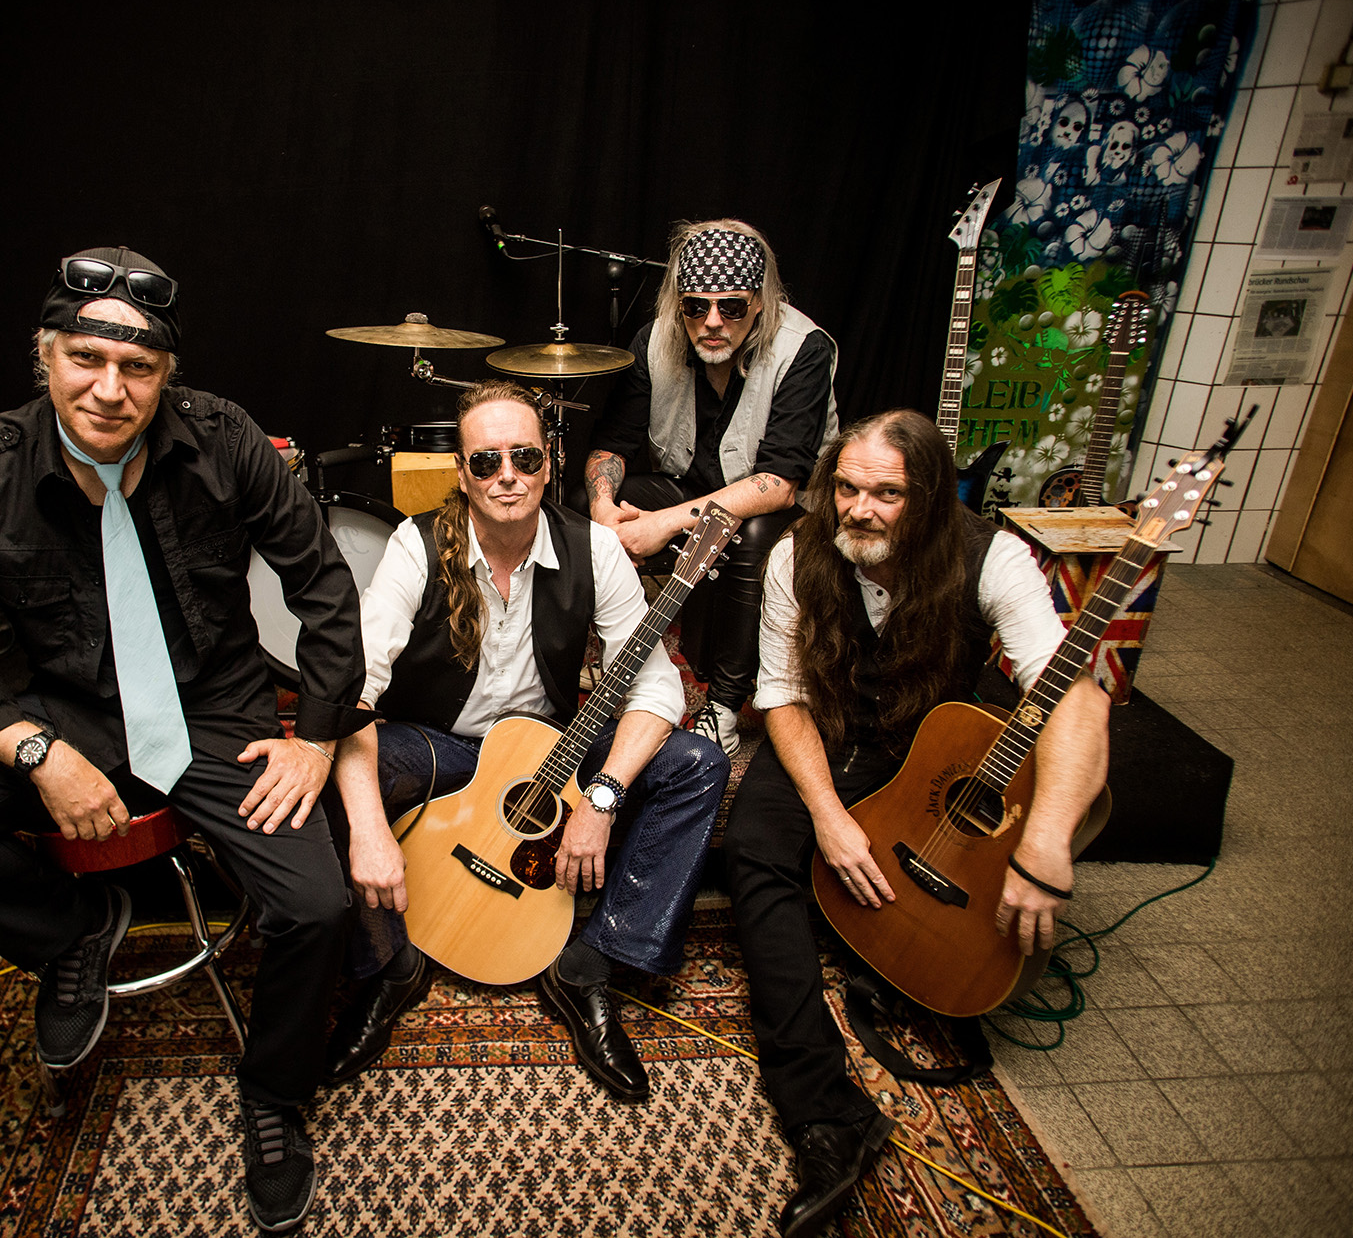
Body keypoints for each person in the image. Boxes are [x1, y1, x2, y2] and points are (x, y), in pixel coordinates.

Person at [0, 247, 363, 1233]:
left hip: (213, 708)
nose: (109, 388)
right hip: (66, 710)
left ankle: (273, 1094)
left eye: (138, 367)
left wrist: (317, 738)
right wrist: (36, 752)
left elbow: (323, 585)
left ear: (166, 376)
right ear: (44, 355)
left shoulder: (226, 438)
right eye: (86, 358)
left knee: (315, 905)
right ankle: (72, 931)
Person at [725, 410, 1110, 1238]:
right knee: (754, 848)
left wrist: (1045, 840)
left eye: (887, 493)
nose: (859, 508)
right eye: (846, 487)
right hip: (825, 734)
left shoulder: (993, 556)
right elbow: (781, 694)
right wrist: (827, 815)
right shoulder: (797, 552)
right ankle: (827, 1112)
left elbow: (1074, 696)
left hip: (923, 753)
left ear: (929, 497)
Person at [322, 380, 729, 1101]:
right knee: (335, 768)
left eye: (524, 457)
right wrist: (368, 831)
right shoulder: (416, 546)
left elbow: (657, 688)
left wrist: (601, 798)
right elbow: (355, 689)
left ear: (549, 464)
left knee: (696, 763)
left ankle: (588, 963)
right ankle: (389, 965)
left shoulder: (595, 549)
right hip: (443, 745)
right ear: (462, 472)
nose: (506, 475)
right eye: (486, 461)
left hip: (549, 749)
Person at [584, 218, 839, 754]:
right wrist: (603, 509)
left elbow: (778, 482)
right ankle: (604, 665)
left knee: (753, 535)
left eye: (733, 307)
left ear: (760, 302)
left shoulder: (805, 349)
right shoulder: (655, 340)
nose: (713, 322)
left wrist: (660, 525)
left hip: (785, 509)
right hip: (693, 489)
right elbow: (613, 444)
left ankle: (723, 706)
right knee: (579, 509)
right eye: (696, 307)